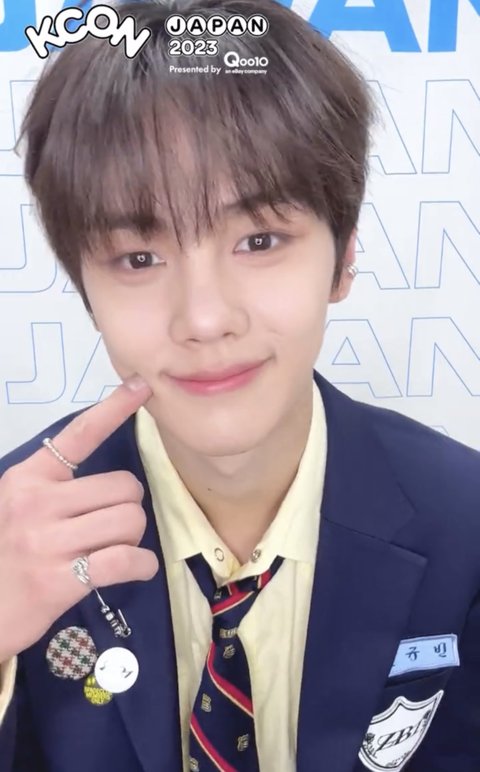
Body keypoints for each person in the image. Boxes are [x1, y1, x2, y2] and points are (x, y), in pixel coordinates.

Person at [0, 0, 479, 770]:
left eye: (259, 240)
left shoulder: (465, 520)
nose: (204, 319)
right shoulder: (14, 527)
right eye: (138, 258)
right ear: (85, 288)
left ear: (343, 259)